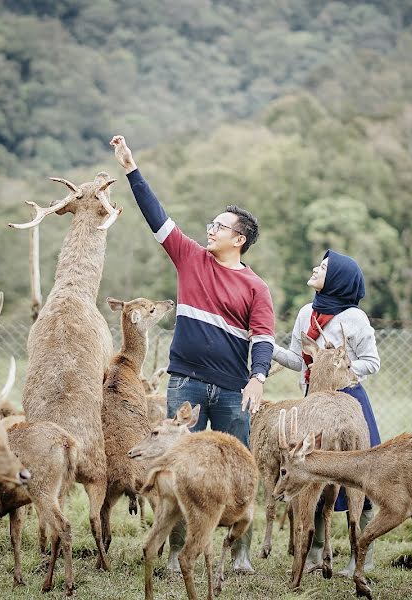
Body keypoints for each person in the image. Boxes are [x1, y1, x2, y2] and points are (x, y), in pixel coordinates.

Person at [111, 135, 274, 574]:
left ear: (238, 239)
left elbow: (262, 338)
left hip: (232, 391)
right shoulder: (189, 258)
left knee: (239, 468)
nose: (210, 230)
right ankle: (175, 555)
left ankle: (239, 555)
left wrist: (257, 378)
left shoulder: (256, 287)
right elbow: (157, 218)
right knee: (179, 467)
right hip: (185, 383)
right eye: (210, 224)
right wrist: (131, 169)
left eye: (219, 226)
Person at [272, 249, 381, 576]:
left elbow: (372, 361)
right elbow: (297, 358)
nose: (315, 269)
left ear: (337, 280)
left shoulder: (354, 318)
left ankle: (361, 557)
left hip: (350, 403)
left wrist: (339, 369)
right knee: (310, 475)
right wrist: (267, 347)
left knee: (362, 478)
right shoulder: (306, 312)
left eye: (322, 267)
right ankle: (316, 554)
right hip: (313, 404)